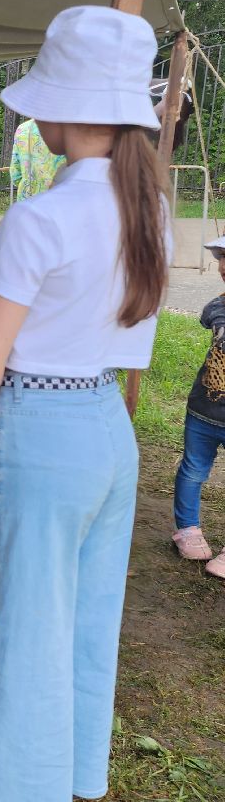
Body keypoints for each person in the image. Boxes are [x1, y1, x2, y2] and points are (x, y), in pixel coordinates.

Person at [0, 6, 171, 802]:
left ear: (65, 110)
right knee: (80, 618)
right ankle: (34, 774)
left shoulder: (41, 217)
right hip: (107, 429)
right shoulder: (151, 208)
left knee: (24, 620)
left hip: (38, 427)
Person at [171, 233, 225, 579]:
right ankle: (187, 529)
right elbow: (212, 315)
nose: (223, 266)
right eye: (221, 258)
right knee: (193, 469)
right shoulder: (220, 306)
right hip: (204, 412)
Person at [10, 118, 66, 200]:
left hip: (28, 198)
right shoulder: (69, 128)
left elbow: (15, 174)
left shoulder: (23, 128)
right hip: (60, 198)